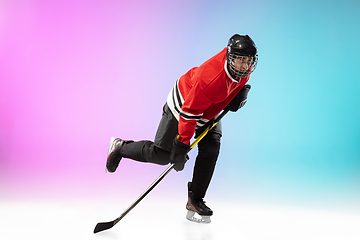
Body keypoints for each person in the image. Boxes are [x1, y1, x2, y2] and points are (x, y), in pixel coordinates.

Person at [106, 34, 258, 223]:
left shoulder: (242, 70)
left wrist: (237, 94)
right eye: (241, 61)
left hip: (208, 109)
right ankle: (121, 147)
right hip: (184, 104)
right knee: (162, 155)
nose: (245, 66)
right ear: (230, 57)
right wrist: (181, 145)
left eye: (248, 61)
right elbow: (189, 114)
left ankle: (195, 199)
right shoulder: (209, 78)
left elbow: (232, 85)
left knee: (211, 148)